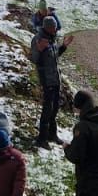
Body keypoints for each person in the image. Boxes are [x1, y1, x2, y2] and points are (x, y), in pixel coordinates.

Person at [32, 20, 67, 149]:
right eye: (55, 28)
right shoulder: (38, 39)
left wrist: (63, 47)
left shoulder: (51, 39)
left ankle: (52, 135)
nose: (56, 30)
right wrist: (40, 51)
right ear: (48, 28)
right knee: (47, 109)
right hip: (47, 80)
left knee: (55, 108)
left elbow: (55, 55)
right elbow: (35, 59)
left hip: (56, 79)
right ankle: (42, 138)